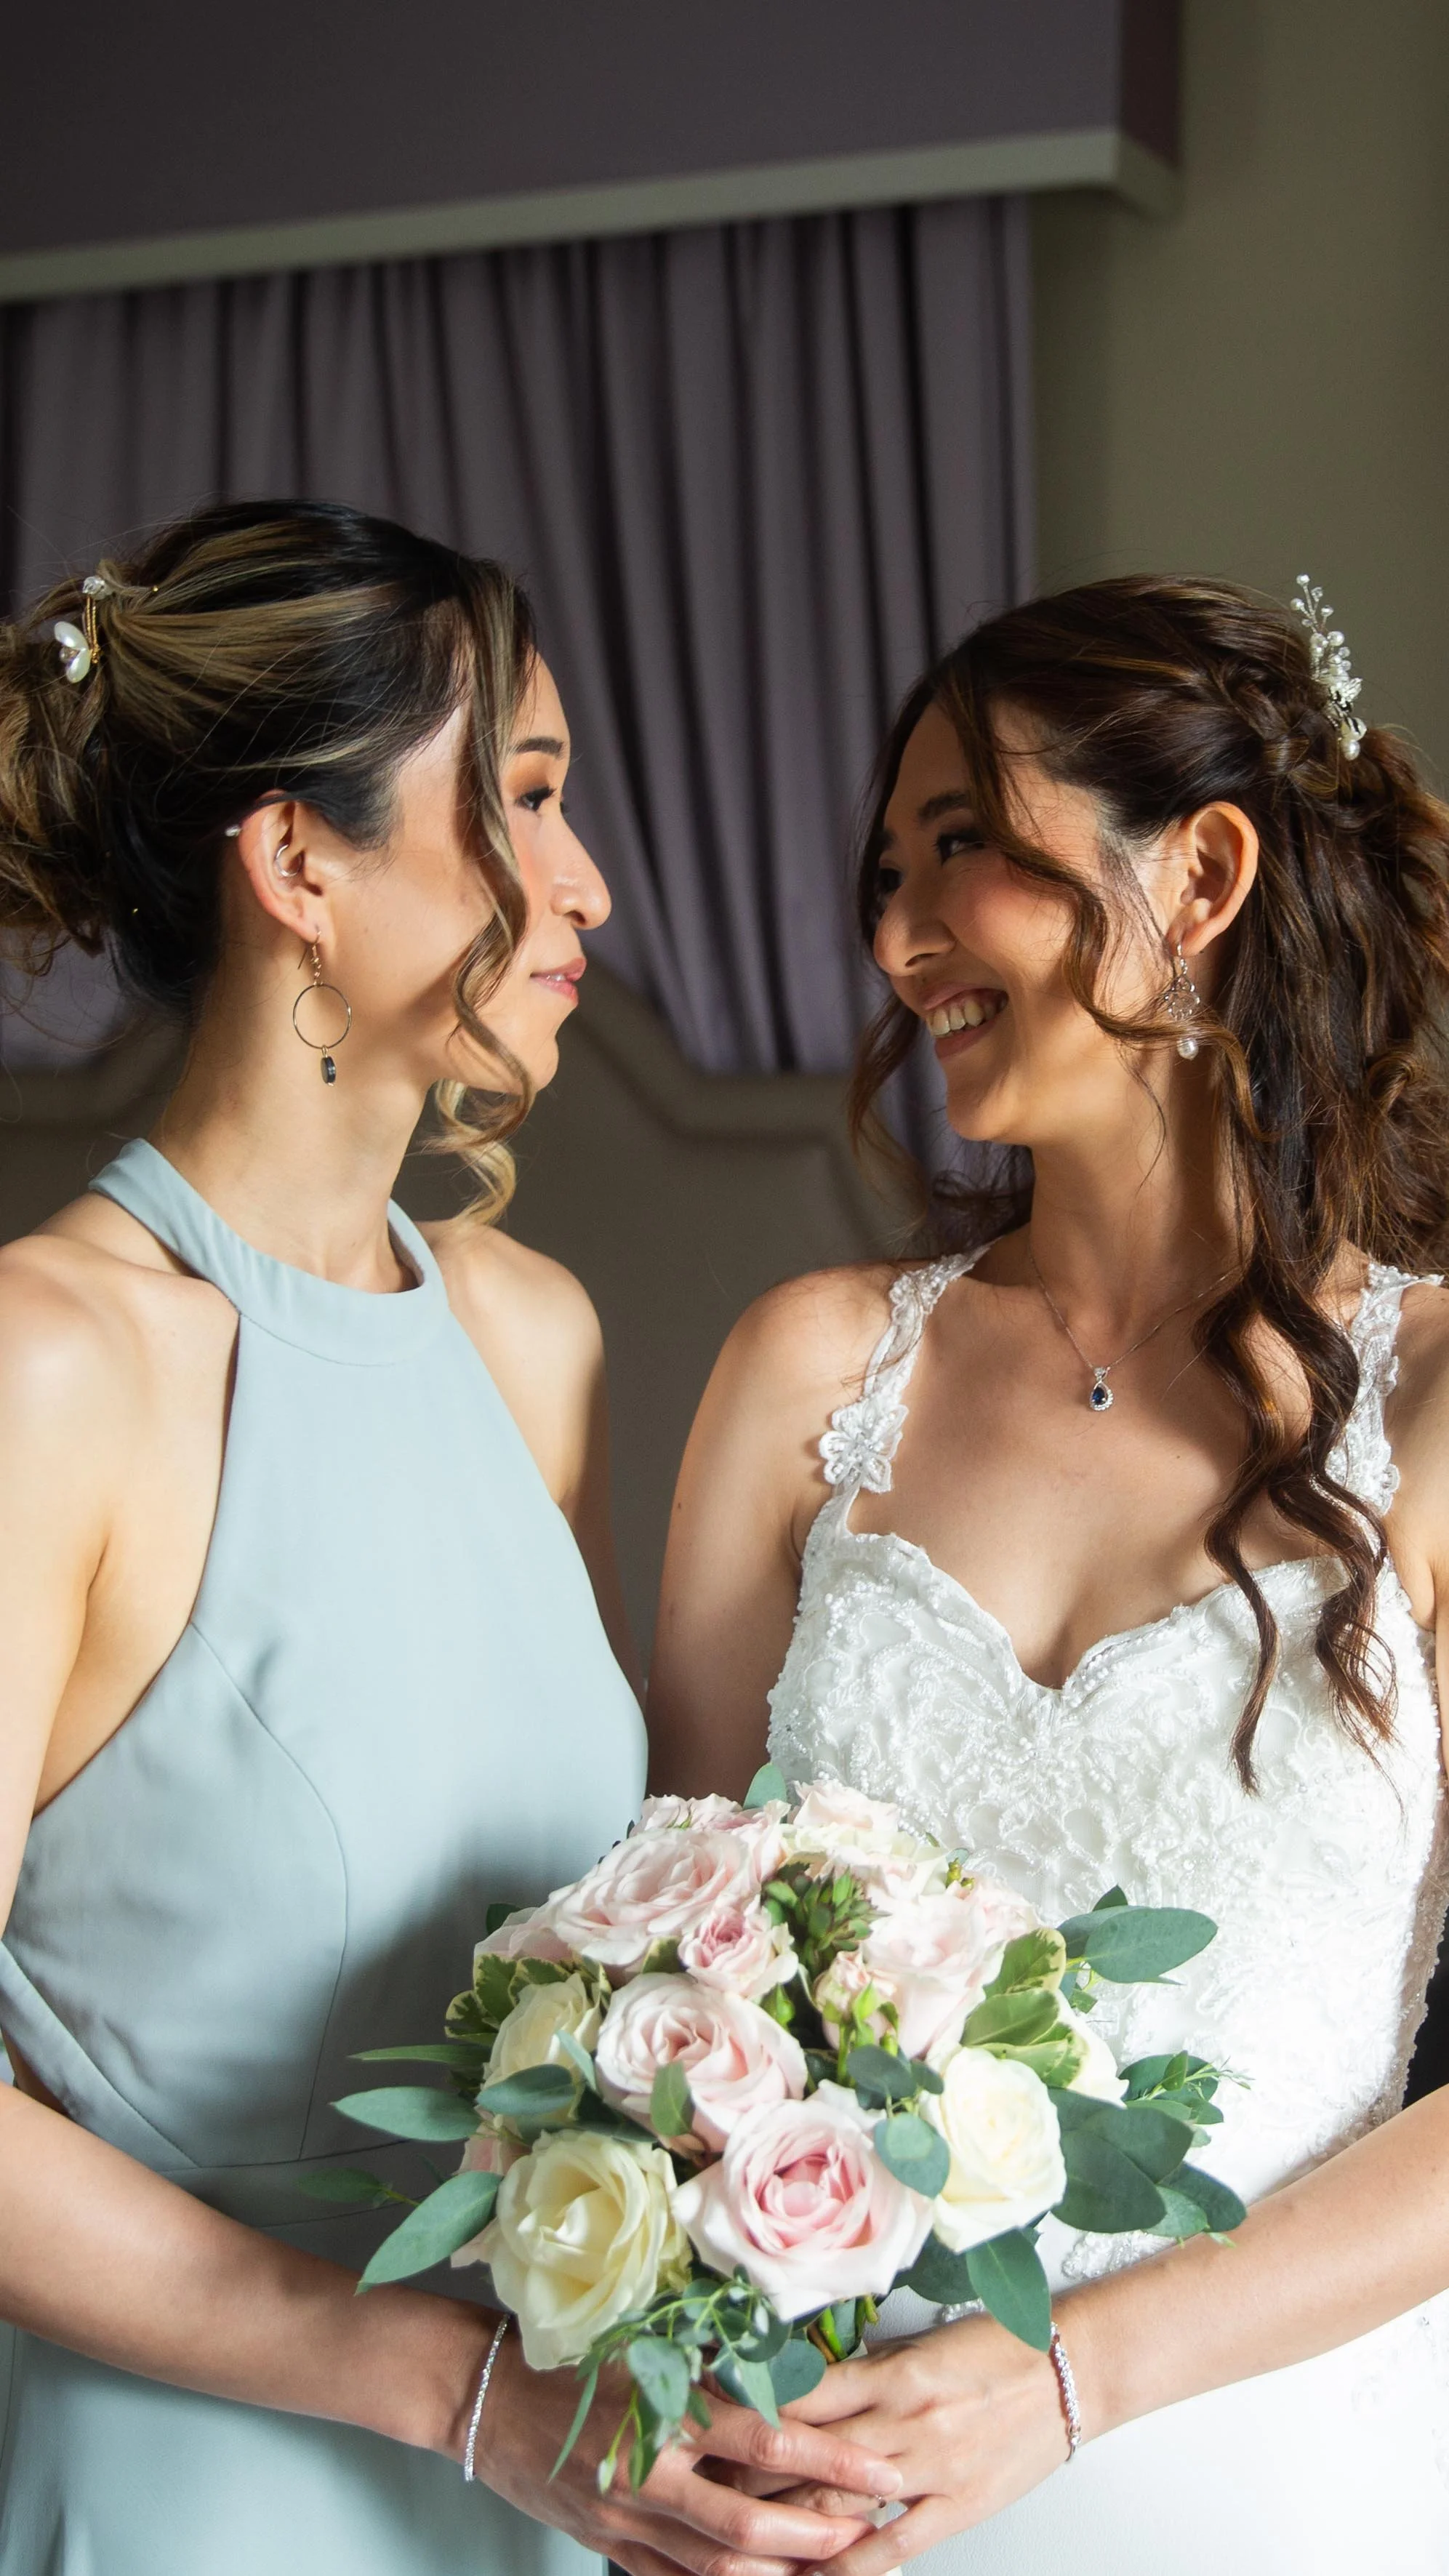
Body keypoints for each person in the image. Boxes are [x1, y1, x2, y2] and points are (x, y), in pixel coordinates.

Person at [0, 500, 897, 2576]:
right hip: (194, 2495)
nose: (586, 880)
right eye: (525, 794)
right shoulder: (58, 1362)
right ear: (297, 860)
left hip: (540, 2506)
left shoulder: (528, 1335)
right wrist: (449, 2388)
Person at [648, 575, 1449, 2572]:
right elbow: (674, 1973)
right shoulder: (809, 1371)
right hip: (833, 2501)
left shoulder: (1435, 1398)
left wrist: (1071, 2373)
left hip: (1273, 2489)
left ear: (1201, 877)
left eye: (965, 852)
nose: (902, 936)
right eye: (888, 869)